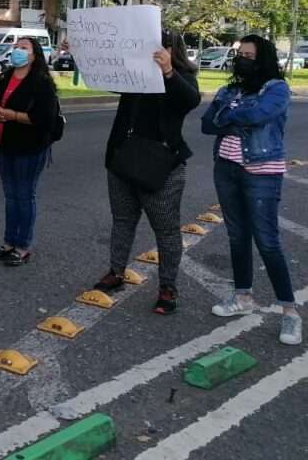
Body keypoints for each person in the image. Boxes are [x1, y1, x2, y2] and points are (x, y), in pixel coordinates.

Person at [91, 31, 200, 315]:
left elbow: (190, 100)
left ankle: (167, 287)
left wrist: (167, 71)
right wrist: (82, 51)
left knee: (165, 230)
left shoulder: (181, 77)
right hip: (122, 161)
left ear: (172, 49)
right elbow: (103, 76)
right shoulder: (133, 75)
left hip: (161, 166)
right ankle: (116, 271)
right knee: (122, 220)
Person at [201, 35, 301, 345]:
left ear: (264, 59)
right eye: (240, 54)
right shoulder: (230, 88)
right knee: (237, 236)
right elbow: (207, 123)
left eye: (250, 55)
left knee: (267, 241)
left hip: (261, 172)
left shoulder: (277, 89)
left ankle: (290, 313)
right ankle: (242, 297)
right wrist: (232, 115)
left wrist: (227, 114)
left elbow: (257, 115)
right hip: (226, 169)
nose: (243, 59)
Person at [0, 37, 59, 267]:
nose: (17, 51)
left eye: (23, 48)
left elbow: (45, 118)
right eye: (16, 47)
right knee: (11, 196)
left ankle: (23, 246)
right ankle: (9, 243)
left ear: (34, 55)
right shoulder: (5, 76)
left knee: (25, 196)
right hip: (4, 144)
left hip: (30, 147)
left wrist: (12, 115)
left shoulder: (41, 82)